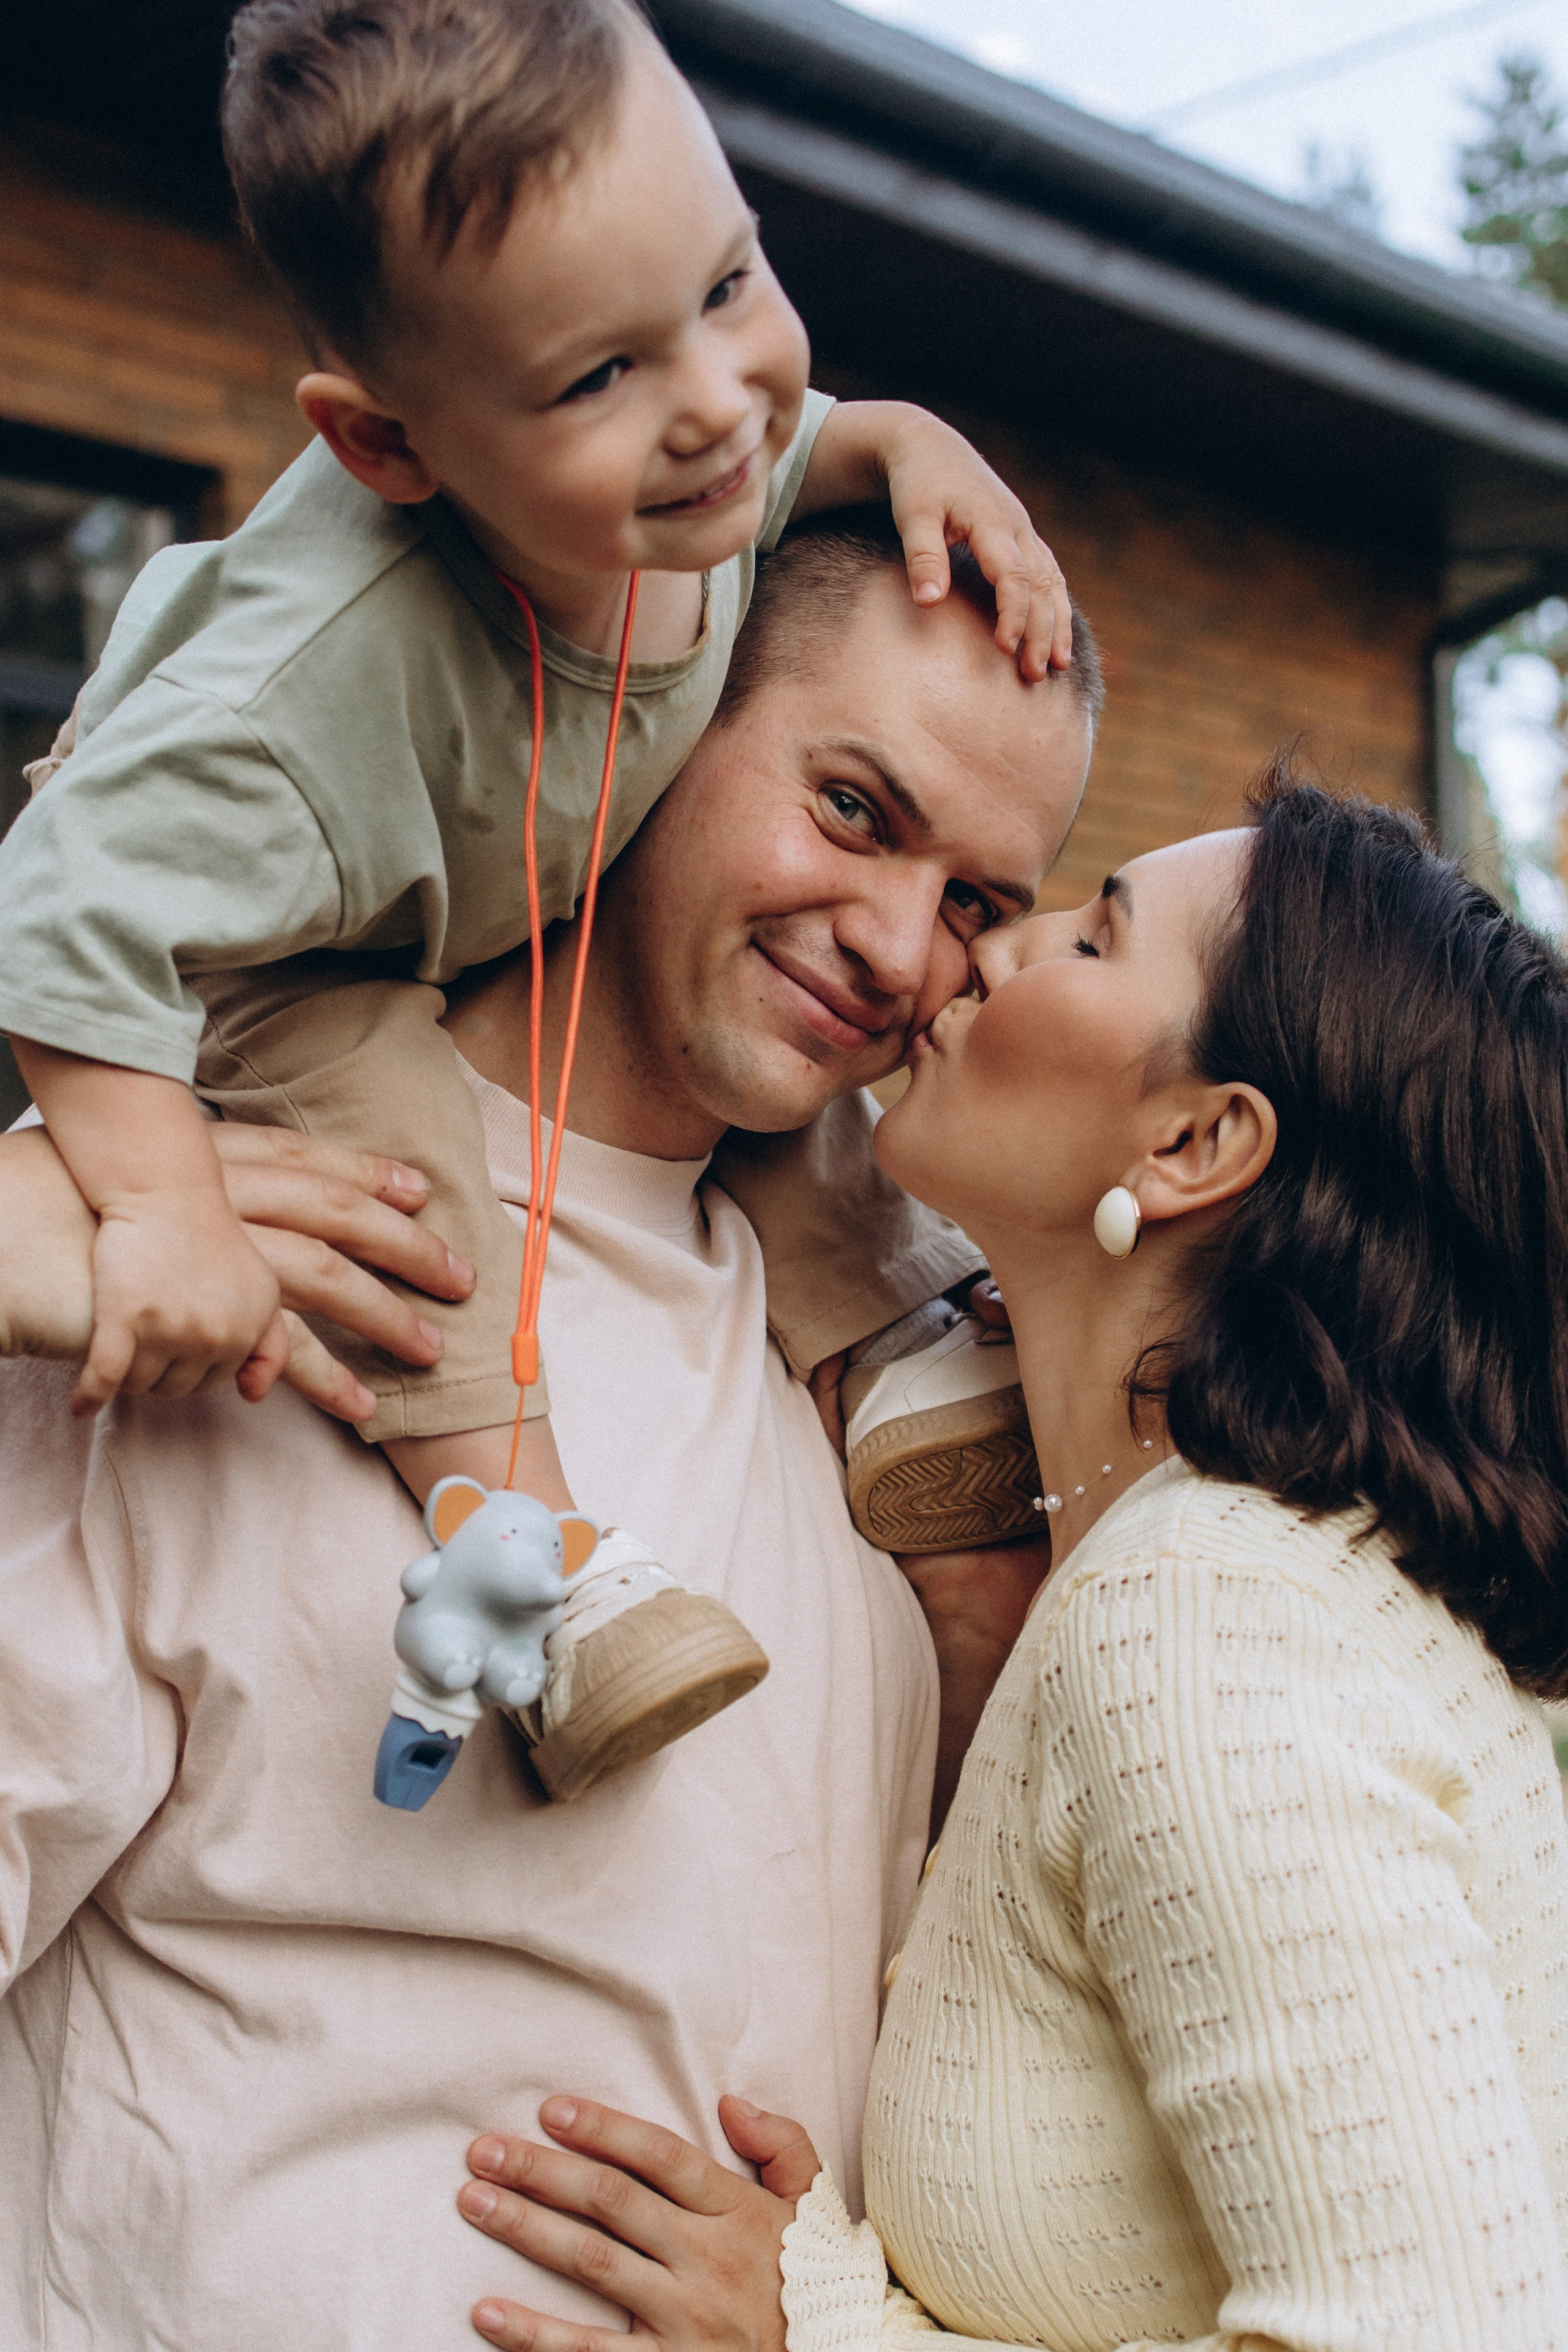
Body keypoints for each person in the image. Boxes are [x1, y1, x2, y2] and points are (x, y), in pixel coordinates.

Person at [0, 516, 1099, 2351]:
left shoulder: (889, 1386)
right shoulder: (197, 1249)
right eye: (852, 811)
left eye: (981, 903)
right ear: (641, 736)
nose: (901, 948)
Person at [0, 0, 1072, 1802]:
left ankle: (899, 1340)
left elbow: (782, 430)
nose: (719, 407)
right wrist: (163, 1207)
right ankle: (535, 1567)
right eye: (599, 379)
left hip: (452, 870)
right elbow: (58, 908)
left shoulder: (687, 482)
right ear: (390, 447)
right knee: (402, 1173)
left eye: (730, 283)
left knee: (812, 1095)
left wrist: (904, 439)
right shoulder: (296, 701)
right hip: (268, 942)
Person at [450, 769, 1568, 2352]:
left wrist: (826, 2335)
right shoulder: (1241, 1561)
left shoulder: (1205, 1616)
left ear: (1194, 1142)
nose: (983, 950)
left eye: (1093, 938)